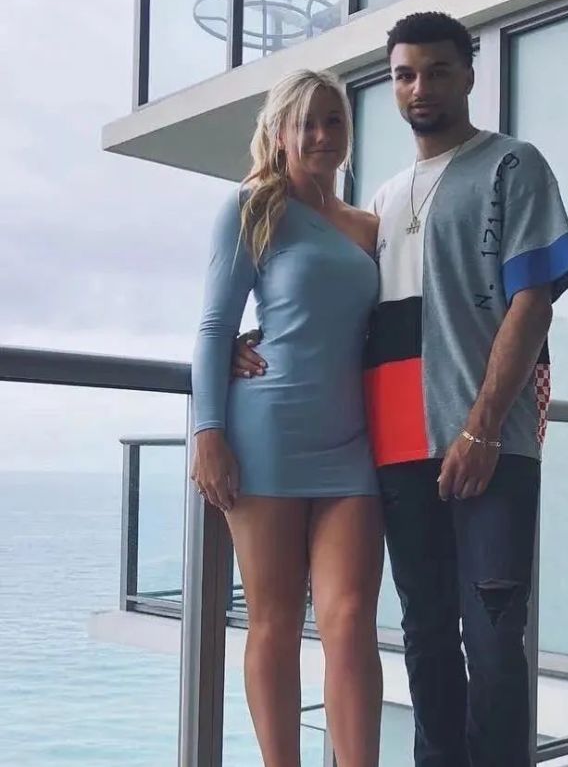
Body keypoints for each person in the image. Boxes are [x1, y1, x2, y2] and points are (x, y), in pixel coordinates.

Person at [233, 12, 568, 767]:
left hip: (490, 444)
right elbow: (338, 307)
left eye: (437, 71)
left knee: (494, 637)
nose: (420, 87)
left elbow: (533, 303)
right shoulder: (382, 202)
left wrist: (482, 426)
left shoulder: (512, 166)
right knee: (424, 636)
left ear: (469, 75)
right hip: (394, 453)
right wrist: (253, 339)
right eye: (404, 75)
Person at [190, 69, 384, 767]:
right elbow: (215, 327)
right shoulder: (251, 206)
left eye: (333, 121)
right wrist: (208, 433)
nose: (321, 135)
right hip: (265, 434)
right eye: (305, 123)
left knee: (350, 620)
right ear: (278, 133)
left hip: (352, 443)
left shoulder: (369, 226)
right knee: (273, 622)